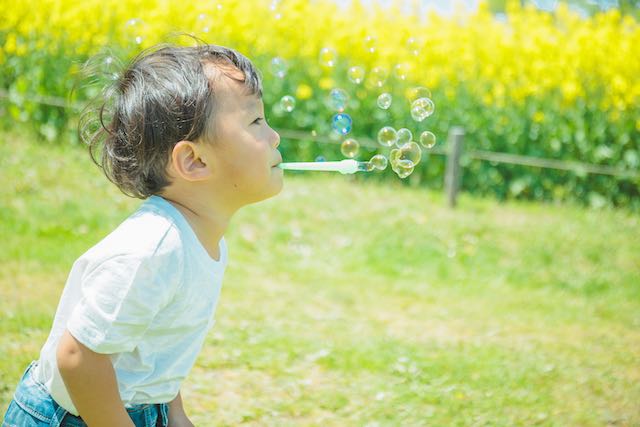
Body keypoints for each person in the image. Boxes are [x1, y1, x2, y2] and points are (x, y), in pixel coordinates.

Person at [2, 42, 283, 427]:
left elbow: (155, 346)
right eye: (255, 122)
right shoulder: (153, 250)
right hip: (69, 416)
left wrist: (175, 415)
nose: (275, 137)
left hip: (129, 408)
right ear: (194, 161)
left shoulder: (202, 239)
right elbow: (78, 358)